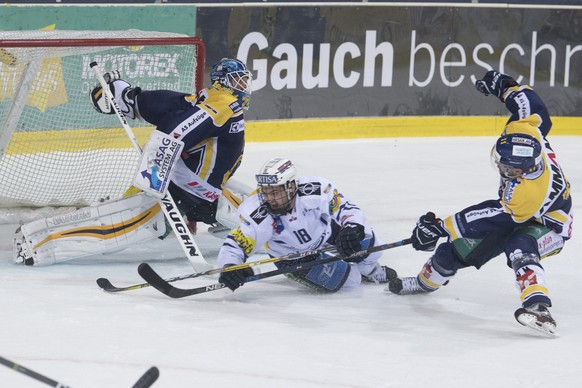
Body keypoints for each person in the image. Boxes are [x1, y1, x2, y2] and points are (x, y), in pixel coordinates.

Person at [13, 58, 253, 266]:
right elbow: (177, 130)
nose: (245, 87)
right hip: (184, 191)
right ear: (225, 81)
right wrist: (155, 170)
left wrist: (124, 96)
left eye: (245, 80)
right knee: (122, 227)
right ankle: (36, 242)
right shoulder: (225, 103)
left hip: (202, 191)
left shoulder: (209, 99)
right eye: (240, 80)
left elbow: (169, 106)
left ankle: (281, 240)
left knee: (253, 216)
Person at [387, 70, 572, 336]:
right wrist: (505, 86)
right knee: (456, 250)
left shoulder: (529, 192)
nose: (501, 167)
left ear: (525, 170)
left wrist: (442, 226)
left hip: (551, 225)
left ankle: (538, 307)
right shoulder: (526, 131)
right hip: (515, 214)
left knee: (519, 244)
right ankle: (424, 283)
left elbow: (492, 216)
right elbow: (533, 106)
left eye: (508, 169)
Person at [216, 157, 397, 293]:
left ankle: (370, 270)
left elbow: (345, 207)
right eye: (266, 192)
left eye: (275, 192)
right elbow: (238, 243)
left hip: (326, 235)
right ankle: (355, 271)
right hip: (294, 257)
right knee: (351, 282)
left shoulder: (316, 189)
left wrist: (352, 227)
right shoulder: (257, 212)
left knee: (371, 244)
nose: (270, 198)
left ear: (292, 186)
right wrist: (230, 265)